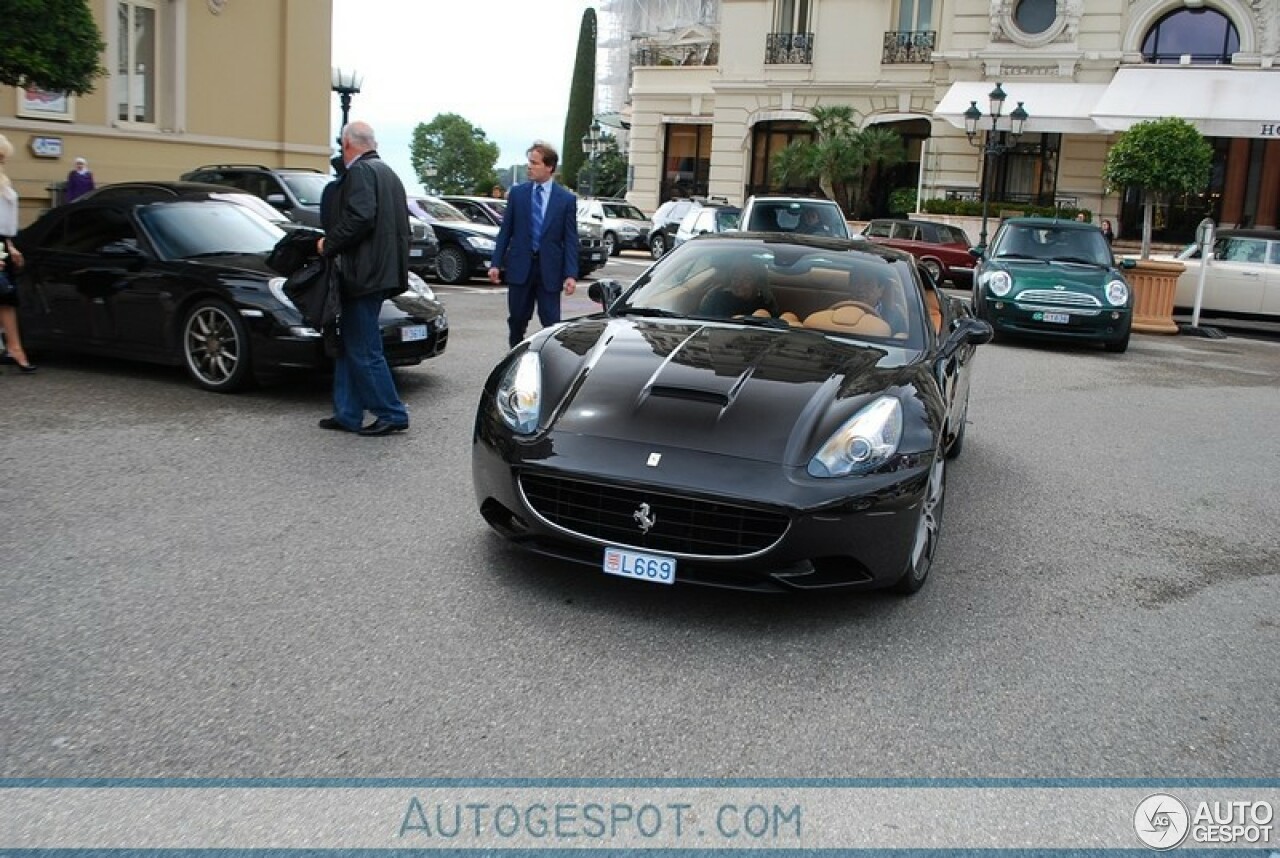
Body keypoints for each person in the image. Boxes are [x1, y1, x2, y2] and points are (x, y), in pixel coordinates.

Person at [315, 120, 410, 436]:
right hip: (381, 272)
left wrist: (328, 244)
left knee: (363, 348)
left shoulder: (360, 172)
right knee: (351, 343)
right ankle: (347, 412)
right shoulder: (390, 174)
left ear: (347, 145)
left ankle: (391, 413)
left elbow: (360, 216)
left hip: (362, 273)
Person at [488, 141, 580, 348]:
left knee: (551, 323)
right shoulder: (518, 194)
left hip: (549, 270)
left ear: (549, 167)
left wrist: (571, 274)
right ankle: (514, 356)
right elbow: (506, 232)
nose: (529, 167)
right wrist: (495, 263)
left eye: (534, 163)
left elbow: (570, 238)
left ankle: (552, 362)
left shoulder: (565, 200)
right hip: (520, 269)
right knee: (517, 319)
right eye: (529, 162)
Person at [0, 135, 34, 373]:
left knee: (6, 298)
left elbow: (5, 221)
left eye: (3, 157)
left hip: (3, 243)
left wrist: (11, 245)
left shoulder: (4, 181)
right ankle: (13, 349)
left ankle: (14, 348)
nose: (2, 161)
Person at [698, 258, 778, 318]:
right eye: (735, 278)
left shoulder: (765, 301)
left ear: (757, 283)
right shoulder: (716, 297)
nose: (739, 283)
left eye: (747, 279)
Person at [847, 269, 907, 334]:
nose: (861, 289)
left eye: (868, 283)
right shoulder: (841, 311)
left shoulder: (895, 318)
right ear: (850, 286)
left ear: (880, 290)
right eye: (856, 282)